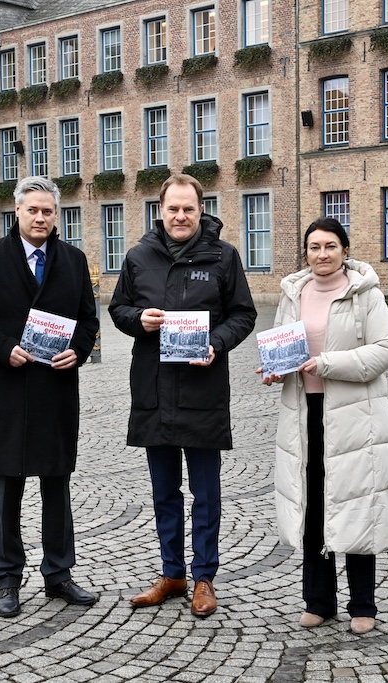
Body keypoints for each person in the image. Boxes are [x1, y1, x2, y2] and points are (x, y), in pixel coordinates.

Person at [109, 174, 257, 618]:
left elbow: (243, 314)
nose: (180, 216)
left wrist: (217, 342)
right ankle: (171, 574)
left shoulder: (223, 256)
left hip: (203, 390)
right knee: (164, 493)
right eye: (173, 209)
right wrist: (140, 319)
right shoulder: (138, 256)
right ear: (161, 210)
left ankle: (204, 577)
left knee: (206, 493)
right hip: (154, 390)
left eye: (188, 209)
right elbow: (117, 309)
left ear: (200, 210)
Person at [0, 176, 100, 619]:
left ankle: (59, 574)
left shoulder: (73, 260)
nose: (40, 217)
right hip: (9, 390)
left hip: (56, 390)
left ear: (57, 214)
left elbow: (88, 321)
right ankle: (7, 579)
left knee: (57, 485)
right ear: (16, 212)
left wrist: (80, 348)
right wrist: (3, 348)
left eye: (48, 211)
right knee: (8, 487)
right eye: (33, 210)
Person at [260, 217, 388, 634]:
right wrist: (275, 370)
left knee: (357, 504)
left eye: (330, 247)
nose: (322, 255)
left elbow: (385, 350)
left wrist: (327, 364)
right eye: (314, 247)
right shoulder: (293, 293)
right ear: (305, 252)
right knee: (313, 506)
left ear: (345, 251)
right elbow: (283, 345)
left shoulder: (365, 294)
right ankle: (318, 601)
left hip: (355, 417)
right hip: (305, 414)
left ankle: (363, 605)